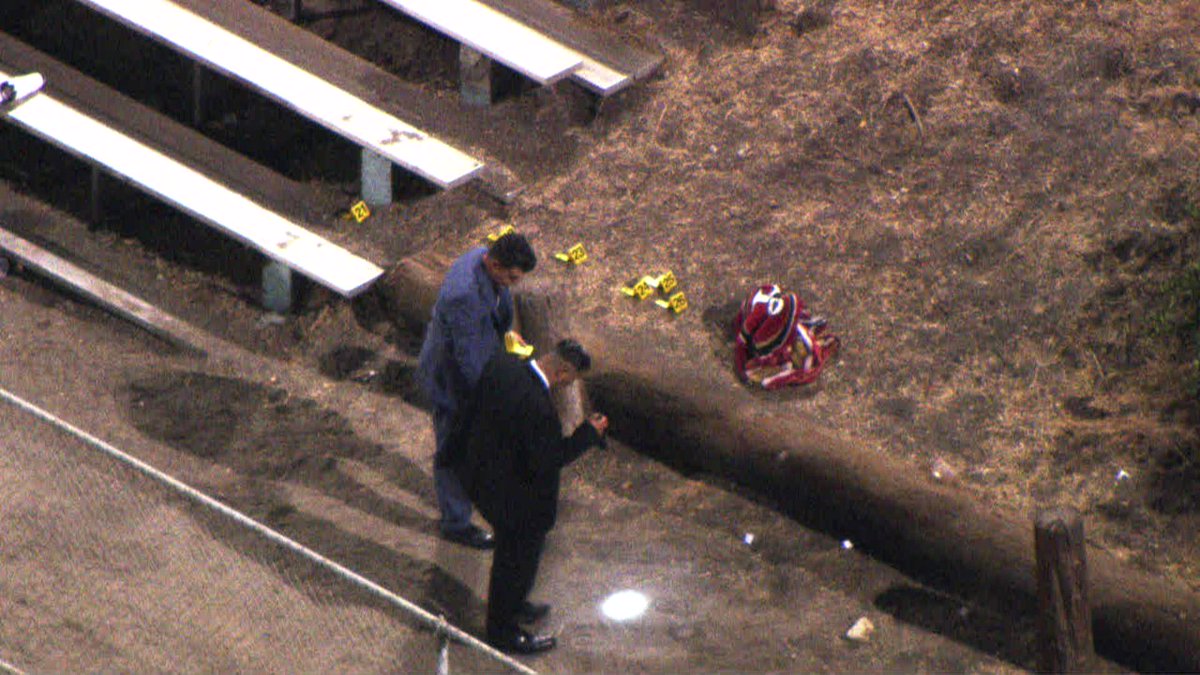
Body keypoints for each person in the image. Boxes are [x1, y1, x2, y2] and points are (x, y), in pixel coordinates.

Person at [446, 339, 608, 654]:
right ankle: (503, 631)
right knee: (514, 562)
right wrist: (588, 433)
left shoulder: (503, 365)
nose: (567, 387)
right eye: (570, 381)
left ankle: (514, 604)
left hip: (483, 476)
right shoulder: (538, 407)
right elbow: (548, 459)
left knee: (516, 563)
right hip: (514, 500)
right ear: (562, 372)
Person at [417, 233, 537, 549]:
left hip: (475, 360)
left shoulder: (485, 257)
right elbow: (468, 361)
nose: (513, 283)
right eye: (511, 276)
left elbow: (499, 300)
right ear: (494, 263)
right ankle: (455, 523)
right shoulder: (464, 296)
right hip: (452, 381)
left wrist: (507, 333)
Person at [733, 283, 840, 389]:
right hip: (760, 331)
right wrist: (743, 372)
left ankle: (792, 338)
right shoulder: (752, 324)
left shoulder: (784, 306)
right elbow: (741, 344)